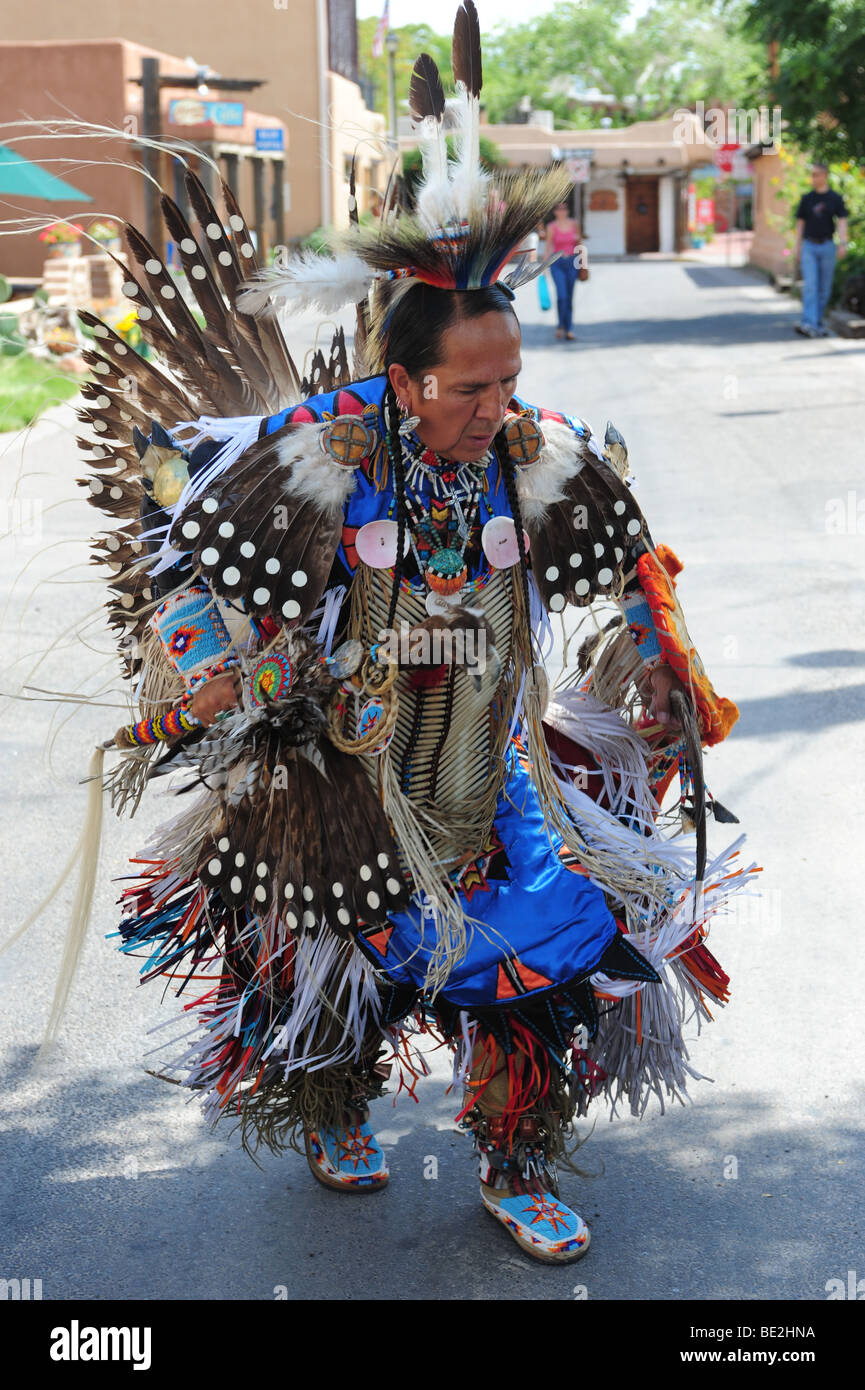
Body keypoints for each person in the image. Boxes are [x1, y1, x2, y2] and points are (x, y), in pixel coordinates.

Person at [36, 2, 752, 1268]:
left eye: (511, 381)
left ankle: (515, 1156)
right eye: (469, 388)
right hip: (348, 771)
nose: (497, 409)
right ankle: (330, 1098)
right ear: (404, 379)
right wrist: (255, 682)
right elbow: (206, 586)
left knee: (550, 938)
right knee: (339, 946)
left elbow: (636, 581)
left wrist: (659, 678)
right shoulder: (314, 458)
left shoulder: (537, 456)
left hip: (495, 756)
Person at [794, 161, 849, 337]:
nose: (813, 178)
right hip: (809, 246)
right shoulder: (807, 198)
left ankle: (817, 323)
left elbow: (841, 221)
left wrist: (843, 243)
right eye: (812, 174)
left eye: (816, 174)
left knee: (824, 288)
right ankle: (809, 323)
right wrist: (797, 246)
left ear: (825, 176)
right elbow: (800, 223)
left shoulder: (835, 198)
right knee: (811, 285)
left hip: (827, 246)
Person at [543, 200, 581, 340]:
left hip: (572, 262)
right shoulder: (551, 227)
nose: (562, 211)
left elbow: (579, 243)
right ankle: (560, 325)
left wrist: (583, 263)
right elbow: (548, 247)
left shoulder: (574, 224)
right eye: (559, 208)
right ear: (555, 212)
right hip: (557, 263)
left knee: (570, 297)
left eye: (564, 208)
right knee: (562, 296)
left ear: (567, 210)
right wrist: (544, 267)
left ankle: (569, 328)